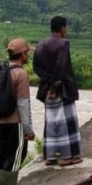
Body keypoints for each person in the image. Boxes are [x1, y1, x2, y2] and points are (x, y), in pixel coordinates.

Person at [33, 15, 82, 166]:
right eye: (65, 27)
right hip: (62, 88)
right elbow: (61, 66)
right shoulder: (63, 43)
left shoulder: (41, 44)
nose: (66, 30)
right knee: (65, 122)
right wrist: (54, 85)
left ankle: (50, 156)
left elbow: (36, 67)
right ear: (62, 28)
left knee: (51, 121)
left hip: (46, 89)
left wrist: (48, 83)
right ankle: (65, 157)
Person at [0, 38, 35, 185]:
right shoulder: (21, 74)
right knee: (16, 157)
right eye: (27, 52)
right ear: (22, 54)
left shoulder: (2, 71)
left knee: (1, 156)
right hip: (15, 123)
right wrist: (28, 129)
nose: (28, 55)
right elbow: (23, 104)